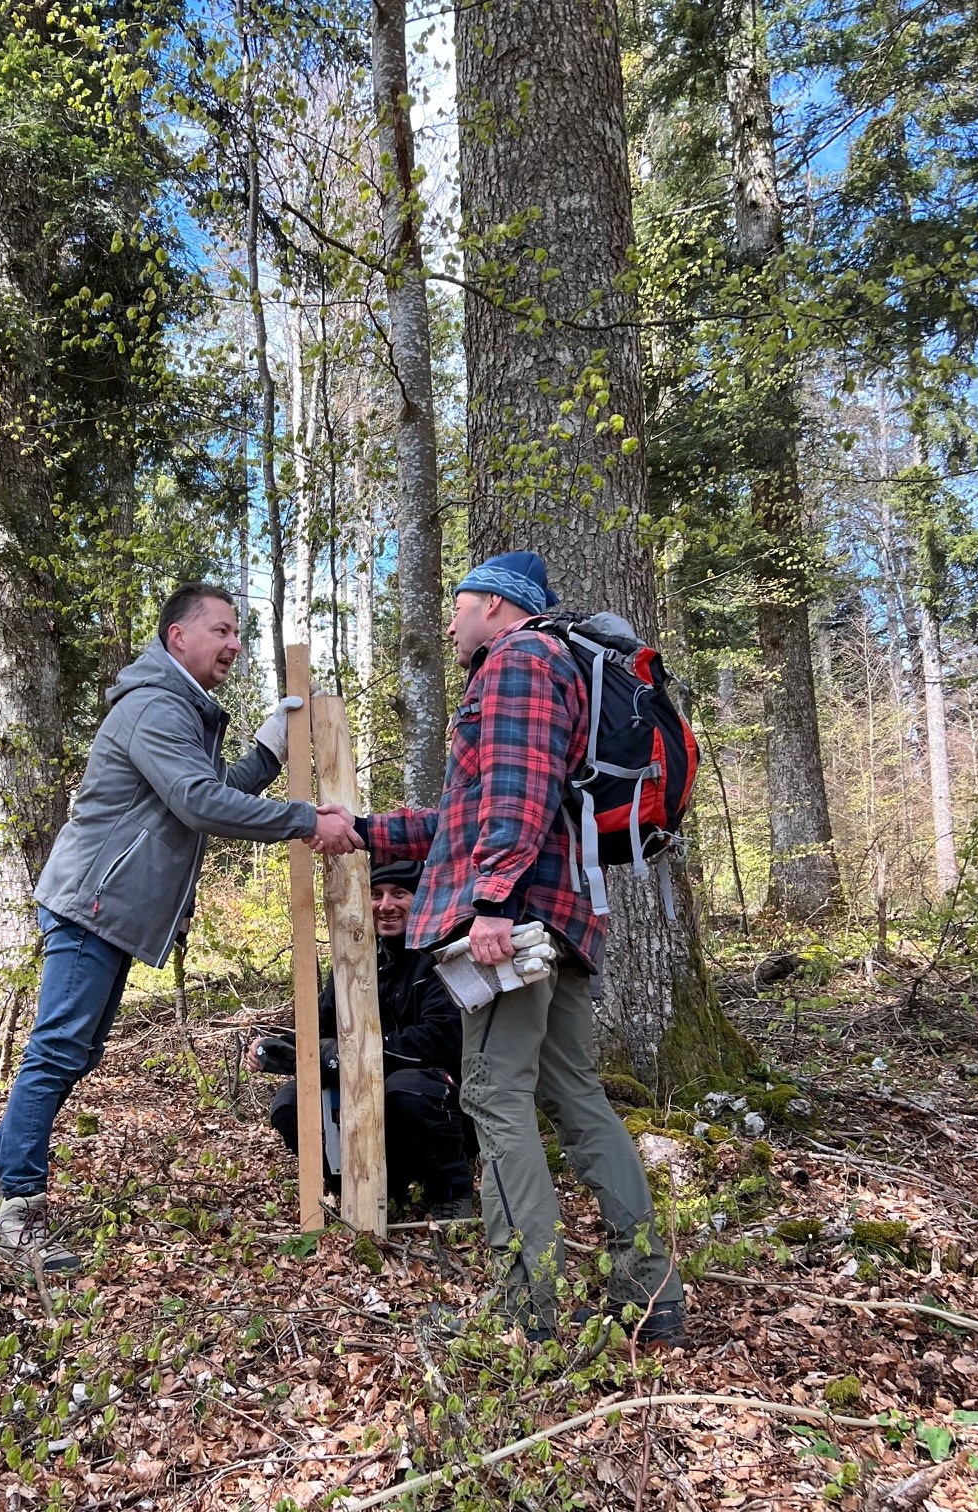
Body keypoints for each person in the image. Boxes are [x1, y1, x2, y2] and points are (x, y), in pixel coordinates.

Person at [329, 551, 683, 1344]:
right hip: (555, 918)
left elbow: (515, 800)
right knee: (577, 1096)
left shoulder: (519, 660)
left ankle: (528, 1310)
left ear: (493, 604)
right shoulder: (544, 667)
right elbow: (463, 816)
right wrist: (359, 831)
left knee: (494, 1096)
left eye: (458, 605)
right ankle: (650, 1286)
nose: (450, 622)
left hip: (513, 926)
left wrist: (489, 904)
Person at [0, 583, 361, 1269]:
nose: (234, 643)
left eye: (237, 632)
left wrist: (269, 749)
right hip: (92, 902)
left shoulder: (178, 708)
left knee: (75, 1050)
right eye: (220, 630)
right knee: (59, 1048)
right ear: (178, 637)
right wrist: (307, 821)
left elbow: (209, 789)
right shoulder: (155, 705)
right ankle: (19, 1210)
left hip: (109, 909)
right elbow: (198, 801)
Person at [247, 861, 476, 1219]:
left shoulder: (440, 957)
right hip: (359, 1089)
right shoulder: (351, 958)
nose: (386, 905)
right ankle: (351, 1189)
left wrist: (356, 1052)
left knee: (404, 1089)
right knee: (290, 1102)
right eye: (376, 895)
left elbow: (443, 1038)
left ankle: (449, 1191)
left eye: (399, 894)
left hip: (441, 1098)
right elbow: (321, 1030)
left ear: (419, 901)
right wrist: (282, 1049)